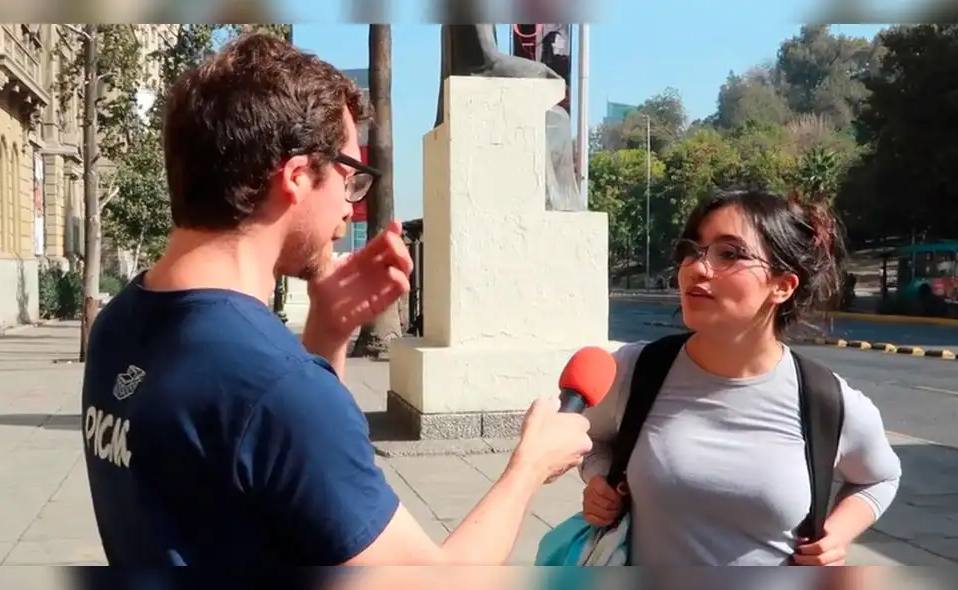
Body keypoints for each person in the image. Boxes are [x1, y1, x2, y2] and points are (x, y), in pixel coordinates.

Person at [80, 33, 591, 566]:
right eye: (349, 176)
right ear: (298, 176)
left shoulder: (120, 323)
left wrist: (326, 335)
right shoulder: (278, 386)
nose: (349, 208)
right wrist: (529, 467)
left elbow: (260, 495)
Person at [580, 190, 902, 566]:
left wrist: (836, 534)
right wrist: (599, 478)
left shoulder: (826, 401)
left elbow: (881, 478)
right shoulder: (637, 371)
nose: (697, 268)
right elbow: (590, 438)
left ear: (783, 285)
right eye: (692, 250)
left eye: (729, 254)